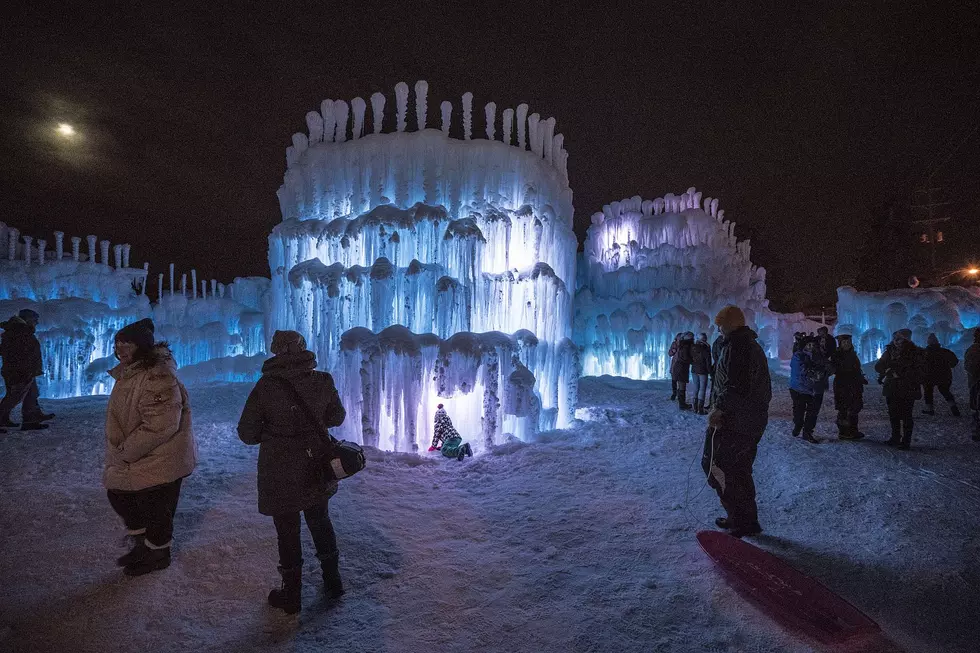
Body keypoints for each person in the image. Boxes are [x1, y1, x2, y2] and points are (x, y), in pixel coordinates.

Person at [238, 330, 347, 615]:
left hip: (279, 468)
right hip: (316, 464)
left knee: (287, 531)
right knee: (320, 520)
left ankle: (292, 594)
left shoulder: (266, 387)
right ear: (302, 348)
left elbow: (247, 433)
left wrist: (276, 434)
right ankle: (333, 582)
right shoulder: (322, 381)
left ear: (275, 351)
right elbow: (336, 417)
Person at [104, 318, 196, 576]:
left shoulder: (157, 375)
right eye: (117, 344)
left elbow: (161, 425)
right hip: (142, 456)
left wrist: (125, 452)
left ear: (141, 347)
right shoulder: (131, 372)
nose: (120, 350)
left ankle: (157, 554)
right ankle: (145, 546)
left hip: (161, 457)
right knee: (124, 496)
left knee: (155, 508)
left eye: (127, 345)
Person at [703, 306, 772, 538]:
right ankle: (743, 519)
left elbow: (736, 387)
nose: (718, 328)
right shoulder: (738, 345)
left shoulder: (740, 347)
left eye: (721, 324)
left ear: (731, 324)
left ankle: (742, 521)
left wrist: (719, 409)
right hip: (744, 419)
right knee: (736, 470)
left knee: (721, 466)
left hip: (738, 420)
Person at [0, 308, 54, 431]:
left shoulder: (19, 330)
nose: (37, 323)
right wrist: (25, 370)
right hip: (19, 372)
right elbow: (17, 353)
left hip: (23, 370)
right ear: (28, 319)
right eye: (35, 320)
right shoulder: (19, 331)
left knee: (31, 394)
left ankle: (31, 419)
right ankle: (6, 418)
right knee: (14, 397)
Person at [874, 329, 922, 450]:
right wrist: (886, 371)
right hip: (892, 387)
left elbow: (918, 370)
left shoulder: (914, 352)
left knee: (906, 415)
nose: (896, 341)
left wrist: (899, 373)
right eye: (895, 338)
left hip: (907, 388)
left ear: (906, 339)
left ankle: (906, 441)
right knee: (893, 414)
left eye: (899, 338)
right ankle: (895, 437)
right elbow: (879, 365)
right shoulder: (889, 352)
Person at [788, 337, 829, 442]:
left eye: (813, 345)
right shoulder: (798, 356)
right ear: (804, 346)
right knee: (799, 411)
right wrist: (814, 374)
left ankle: (808, 432)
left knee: (813, 413)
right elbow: (801, 370)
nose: (811, 347)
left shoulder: (819, 355)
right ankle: (798, 425)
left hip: (815, 390)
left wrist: (826, 372)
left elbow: (828, 366)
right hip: (799, 389)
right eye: (808, 345)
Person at [831, 334, 866, 440]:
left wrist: (860, 377)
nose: (846, 344)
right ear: (840, 344)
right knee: (844, 408)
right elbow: (837, 368)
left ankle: (853, 430)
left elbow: (856, 368)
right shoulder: (837, 355)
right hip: (843, 385)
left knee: (855, 407)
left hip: (854, 385)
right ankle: (843, 431)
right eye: (844, 342)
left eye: (848, 342)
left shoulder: (852, 354)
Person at [920, 333, 960, 416]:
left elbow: (919, 364)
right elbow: (954, 362)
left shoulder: (924, 353)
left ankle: (930, 410)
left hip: (928, 376)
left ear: (928, 342)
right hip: (944, 375)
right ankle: (953, 407)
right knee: (945, 391)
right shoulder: (945, 351)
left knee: (928, 392)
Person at [671, 332, 695, 411]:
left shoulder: (682, 345)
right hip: (681, 368)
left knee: (681, 385)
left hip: (679, 368)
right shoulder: (685, 347)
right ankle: (682, 404)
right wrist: (692, 361)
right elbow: (684, 358)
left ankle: (681, 402)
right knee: (682, 385)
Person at [690, 333, 712, 415]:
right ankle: (700, 409)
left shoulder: (692, 347)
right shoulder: (706, 348)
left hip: (694, 370)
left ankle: (694, 408)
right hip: (703, 371)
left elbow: (690, 358)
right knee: (702, 389)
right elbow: (708, 362)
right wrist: (711, 372)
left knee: (696, 387)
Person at [964, 328, 980, 442]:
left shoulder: (973, 349)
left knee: (975, 407)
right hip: (976, 382)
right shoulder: (974, 349)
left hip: (975, 383)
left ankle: (976, 431)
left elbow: (969, 366)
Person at [667, 333, 682, 400]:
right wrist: (672, 351)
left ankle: (679, 394)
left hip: (680, 365)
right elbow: (670, 354)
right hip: (674, 364)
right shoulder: (674, 344)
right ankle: (674, 393)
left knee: (680, 380)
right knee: (674, 380)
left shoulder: (683, 345)